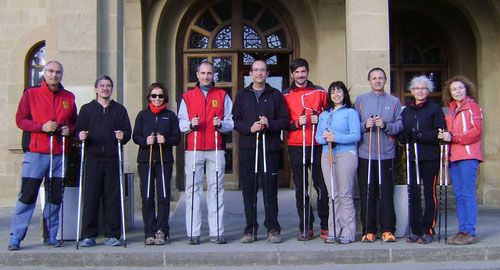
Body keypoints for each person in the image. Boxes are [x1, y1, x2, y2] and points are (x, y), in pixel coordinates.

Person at [8, 61, 77, 251]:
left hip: (59, 155)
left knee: (55, 198)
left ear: (61, 75)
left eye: (58, 72)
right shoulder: (31, 94)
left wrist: (67, 130)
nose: (54, 75)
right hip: (36, 153)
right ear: (44, 73)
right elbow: (20, 120)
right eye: (51, 71)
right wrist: (41, 127)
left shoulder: (68, 97)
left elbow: (73, 123)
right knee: (27, 196)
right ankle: (16, 237)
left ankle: (51, 235)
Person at [233, 60, 289, 243]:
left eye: (262, 70)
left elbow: (285, 120)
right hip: (249, 148)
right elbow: (235, 120)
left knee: (270, 191)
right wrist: (250, 127)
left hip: (269, 149)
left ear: (267, 73)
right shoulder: (242, 95)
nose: (259, 73)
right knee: (249, 191)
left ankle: (272, 228)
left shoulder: (275, 94)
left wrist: (269, 124)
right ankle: (250, 229)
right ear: (250, 73)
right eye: (256, 70)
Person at [178, 61, 234, 245]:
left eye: (209, 73)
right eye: (203, 73)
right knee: (193, 190)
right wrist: (190, 125)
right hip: (194, 149)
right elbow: (181, 122)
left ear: (213, 75)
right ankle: (193, 233)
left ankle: (216, 232)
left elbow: (230, 122)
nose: (206, 76)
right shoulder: (187, 96)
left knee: (216, 190)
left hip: (215, 148)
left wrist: (221, 125)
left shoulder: (222, 95)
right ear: (197, 75)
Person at [75, 75, 132, 247]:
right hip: (92, 158)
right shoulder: (87, 109)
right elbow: (77, 131)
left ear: (112, 89)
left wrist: (123, 136)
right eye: (102, 86)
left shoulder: (119, 110)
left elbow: (127, 132)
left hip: (112, 159)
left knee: (112, 197)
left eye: (108, 86)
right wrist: (80, 136)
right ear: (96, 89)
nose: (105, 89)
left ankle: (113, 234)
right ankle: (88, 235)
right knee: (91, 196)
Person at [283, 58, 329, 240]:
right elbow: (280, 119)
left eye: (303, 71)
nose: (300, 75)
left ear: (307, 72)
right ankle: (306, 226)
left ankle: (325, 225)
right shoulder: (285, 94)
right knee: (301, 187)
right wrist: (295, 123)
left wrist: (321, 119)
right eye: (297, 72)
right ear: (292, 74)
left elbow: (331, 114)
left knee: (321, 186)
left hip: (317, 144)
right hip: (296, 144)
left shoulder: (320, 91)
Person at [354, 67, 403, 243]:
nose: (377, 81)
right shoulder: (360, 100)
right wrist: (364, 125)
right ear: (369, 81)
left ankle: (388, 229)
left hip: (386, 154)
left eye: (380, 78)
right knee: (368, 194)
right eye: (374, 78)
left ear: (385, 80)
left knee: (386, 193)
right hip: (365, 154)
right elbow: (354, 125)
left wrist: (386, 125)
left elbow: (399, 125)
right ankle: (368, 230)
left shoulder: (394, 101)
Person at [399, 75, 446, 244]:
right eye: (417, 88)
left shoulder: (434, 108)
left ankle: (428, 229)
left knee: (429, 193)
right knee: (414, 194)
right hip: (413, 158)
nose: (420, 91)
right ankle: (416, 230)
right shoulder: (407, 111)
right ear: (412, 91)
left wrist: (421, 135)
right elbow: (403, 132)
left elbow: (439, 133)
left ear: (428, 91)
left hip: (429, 157)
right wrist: (403, 136)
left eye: (424, 88)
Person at [133, 83, 180, 245]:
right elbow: (135, 136)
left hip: (163, 160)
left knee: (163, 196)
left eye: (160, 96)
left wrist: (165, 140)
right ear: (149, 97)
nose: (157, 99)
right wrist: (145, 141)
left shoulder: (170, 116)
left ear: (164, 97)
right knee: (147, 196)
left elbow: (177, 138)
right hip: (146, 160)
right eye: (154, 96)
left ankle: (161, 230)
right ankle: (149, 231)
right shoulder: (142, 115)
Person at [437, 75, 483, 245]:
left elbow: (476, 131)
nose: (458, 91)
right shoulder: (451, 110)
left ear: (466, 89)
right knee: (459, 195)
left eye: (460, 88)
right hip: (454, 157)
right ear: (450, 92)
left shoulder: (472, 107)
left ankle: (470, 231)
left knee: (467, 194)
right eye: (454, 89)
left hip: (468, 155)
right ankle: (462, 229)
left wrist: (453, 137)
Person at [315, 81, 360, 244]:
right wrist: (325, 137)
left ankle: (348, 231)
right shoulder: (324, 114)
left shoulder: (350, 113)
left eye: (339, 91)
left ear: (344, 93)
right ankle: (333, 230)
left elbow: (356, 136)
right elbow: (318, 136)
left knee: (345, 193)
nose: (336, 94)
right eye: (333, 92)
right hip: (327, 155)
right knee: (332, 194)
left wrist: (337, 138)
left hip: (345, 154)